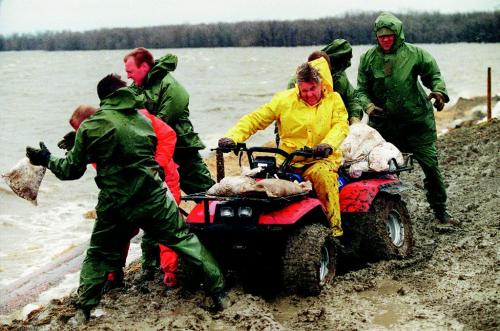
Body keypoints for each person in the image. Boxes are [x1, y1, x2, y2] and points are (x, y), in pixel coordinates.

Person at [26, 74, 228, 323]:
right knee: (184, 241)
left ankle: (84, 310)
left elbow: (70, 171)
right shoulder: (142, 121)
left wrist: (46, 158)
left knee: (99, 254)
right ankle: (219, 292)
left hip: (116, 203)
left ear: (103, 99)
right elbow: (134, 151)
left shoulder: (92, 127)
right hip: (152, 197)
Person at [219, 58, 349, 236]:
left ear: (321, 84)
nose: (309, 94)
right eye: (304, 90)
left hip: (321, 159)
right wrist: (232, 137)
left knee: (324, 177)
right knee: (257, 185)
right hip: (287, 160)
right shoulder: (284, 100)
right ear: (298, 87)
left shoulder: (334, 100)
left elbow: (340, 126)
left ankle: (334, 232)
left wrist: (327, 145)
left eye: (313, 89)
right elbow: (256, 119)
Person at [59, 99, 181, 288]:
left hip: (160, 178)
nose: (82, 134)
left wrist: (157, 164)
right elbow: (100, 166)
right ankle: (113, 274)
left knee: (166, 228)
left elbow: (168, 135)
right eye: (79, 132)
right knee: (118, 229)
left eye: (82, 130)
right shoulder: (99, 133)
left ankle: (167, 271)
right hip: (128, 186)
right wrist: (78, 149)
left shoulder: (134, 117)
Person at [356, 12, 456, 225]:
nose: (385, 40)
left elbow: (434, 76)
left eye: (390, 36)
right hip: (384, 126)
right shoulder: (368, 58)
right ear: (376, 36)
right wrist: (369, 106)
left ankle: (441, 211)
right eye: (381, 36)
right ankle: (382, 214)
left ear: (398, 35)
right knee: (379, 169)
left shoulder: (415, 54)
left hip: (416, 123)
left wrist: (439, 93)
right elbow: (361, 90)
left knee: (430, 166)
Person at [287, 40, 363, 125]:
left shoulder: (340, 77)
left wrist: (354, 118)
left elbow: (352, 99)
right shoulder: (297, 82)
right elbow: (285, 111)